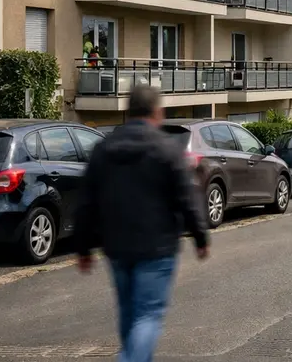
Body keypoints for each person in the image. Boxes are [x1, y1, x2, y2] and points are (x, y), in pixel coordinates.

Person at [75, 84, 210, 362]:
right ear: (157, 112)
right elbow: (186, 197)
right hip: (156, 247)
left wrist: (83, 247)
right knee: (147, 315)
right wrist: (200, 236)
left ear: (128, 112)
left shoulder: (104, 148)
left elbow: (86, 201)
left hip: (116, 246)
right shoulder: (167, 148)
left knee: (128, 314)